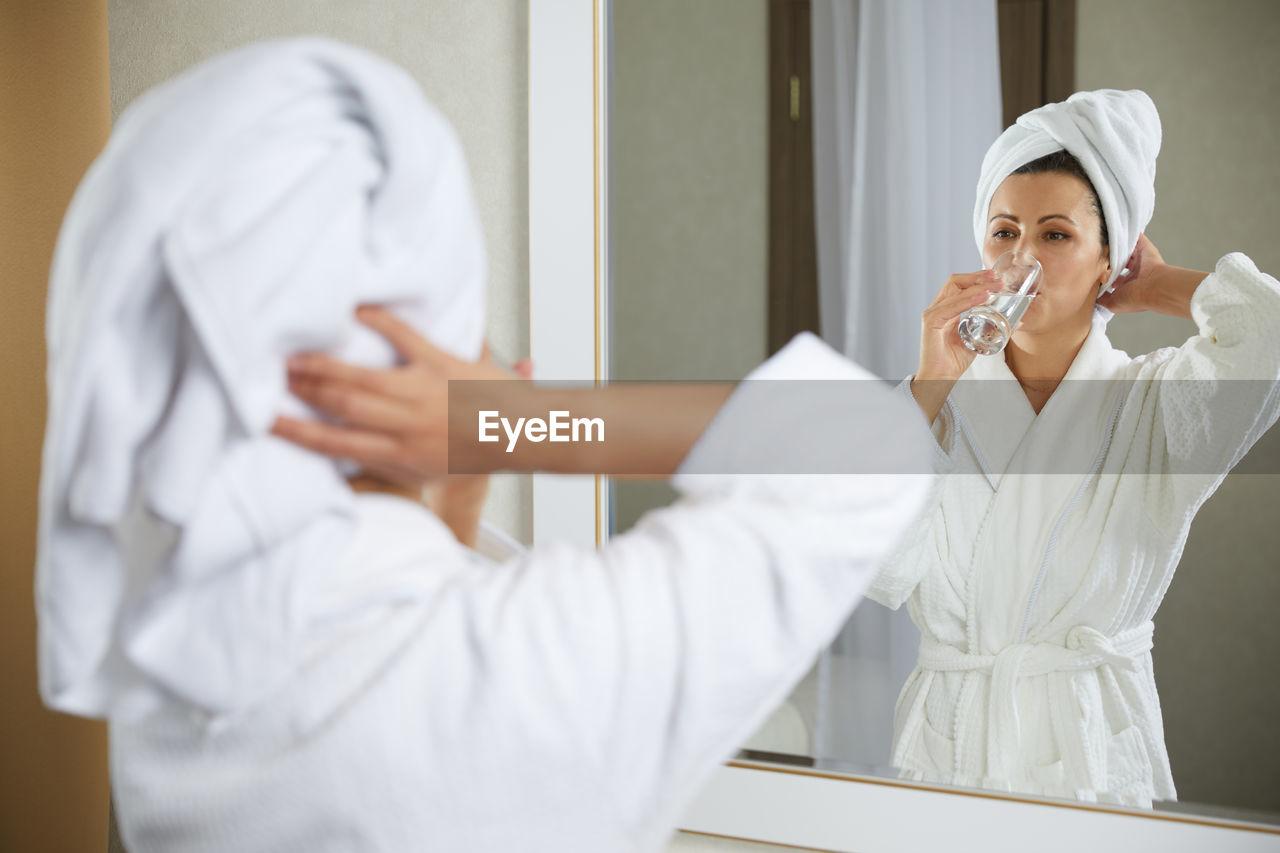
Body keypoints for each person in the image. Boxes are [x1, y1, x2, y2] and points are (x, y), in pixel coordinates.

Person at [35, 38, 933, 852]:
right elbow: (870, 444)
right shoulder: (526, 674)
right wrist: (512, 418)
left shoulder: (166, 672)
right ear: (406, 351)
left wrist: (452, 491)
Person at [864, 89, 1280, 806]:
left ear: (1106, 261)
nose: (1021, 255)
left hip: (1088, 751)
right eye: (1003, 232)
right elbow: (872, 567)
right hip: (951, 746)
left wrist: (1159, 288)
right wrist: (929, 382)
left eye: (1055, 235)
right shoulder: (934, 407)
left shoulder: (1154, 408)